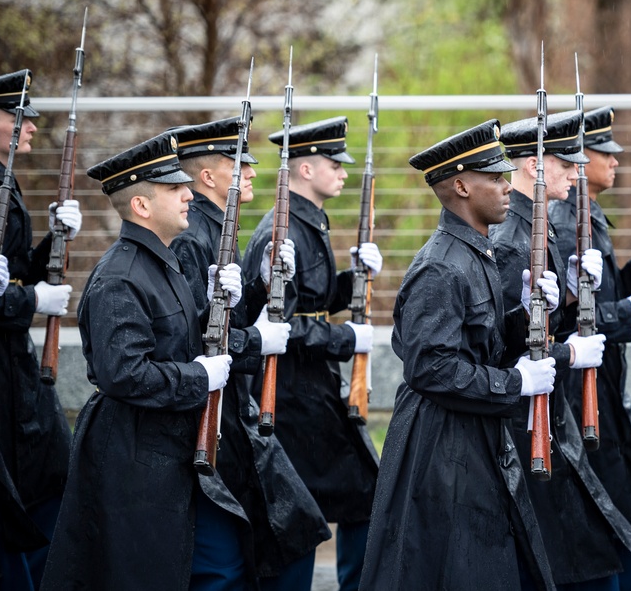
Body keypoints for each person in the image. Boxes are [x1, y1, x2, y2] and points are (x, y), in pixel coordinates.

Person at [42, 131, 253, 590]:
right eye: (175, 188)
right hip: (134, 454)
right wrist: (199, 376)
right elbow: (125, 373)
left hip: (168, 443)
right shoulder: (120, 276)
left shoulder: (162, 263)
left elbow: (174, 337)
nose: (188, 194)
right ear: (141, 206)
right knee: (143, 575)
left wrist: (222, 304)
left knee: (217, 565)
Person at [360, 120, 561, 591]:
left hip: (469, 435)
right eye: (495, 178)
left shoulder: (475, 253)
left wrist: (527, 313)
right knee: (454, 570)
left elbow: (477, 342)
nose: (509, 186)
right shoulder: (441, 266)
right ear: (462, 185)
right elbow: (431, 369)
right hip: (441, 449)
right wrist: (517, 383)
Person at [169, 117, 332, 590]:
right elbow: (197, 339)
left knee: (282, 539)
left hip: (235, 412)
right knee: (229, 566)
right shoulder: (194, 237)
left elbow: (229, 319)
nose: (254, 175)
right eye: (241, 165)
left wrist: (261, 284)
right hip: (214, 415)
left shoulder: (217, 227)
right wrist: (257, 340)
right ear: (208, 176)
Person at [491, 110, 631, 590]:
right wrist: (567, 353)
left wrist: (572, 296)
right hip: (525, 422)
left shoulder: (535, 227)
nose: (577, 170)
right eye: (564, 162)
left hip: (548, 417)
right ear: (535, 167)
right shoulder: (515, 238)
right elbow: (506, 347)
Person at [242, 116, 380, 591]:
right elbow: (279, 326)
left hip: (312, 386)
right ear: (303, 170)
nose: (343, 171)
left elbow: (312, 302)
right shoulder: (283, 231)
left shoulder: (307, 220)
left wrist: (351, 281)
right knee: (302, 512)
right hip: (290, 394)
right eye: (333, 163)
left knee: (363, 493)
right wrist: (346, 340)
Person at [548, 106, 631, 590]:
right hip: (582, 398)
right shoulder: (563, 216)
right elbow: (566, 315)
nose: (616, 162)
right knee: (616, 526)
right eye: (605, 153)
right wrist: (629, 314)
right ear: (578, 161)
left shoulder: (589, 215)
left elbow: (603, 294)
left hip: (605, 394)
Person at [0, 69, 75, 589]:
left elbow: (15, 266)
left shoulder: (4, 177)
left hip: (12, 356)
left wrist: (53, 239)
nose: (30, 129)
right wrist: (32, 301)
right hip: (0, 361)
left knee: (50, 473)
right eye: (19, 117)